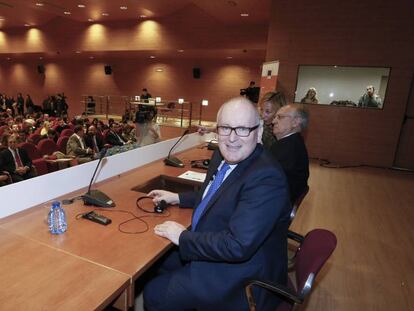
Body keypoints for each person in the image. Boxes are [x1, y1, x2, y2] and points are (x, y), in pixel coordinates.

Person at [143, 97, 291, 311]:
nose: (231, 138)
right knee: (158, 263)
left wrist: (184, 237)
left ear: (258, 133)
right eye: (225, 128)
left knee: (155, 293)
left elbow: (237, 245)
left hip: (241, 276)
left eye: (242, 129)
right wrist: (178, 198)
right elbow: (216, 195)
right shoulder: (222, 156)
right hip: (221, 249)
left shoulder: (266, 177)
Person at [271, 104, 309, 203]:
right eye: (275, 117)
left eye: (280, 117)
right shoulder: (292, 142)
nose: (273, 121)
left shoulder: (288, 149)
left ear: (295, 122)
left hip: (276, 205)